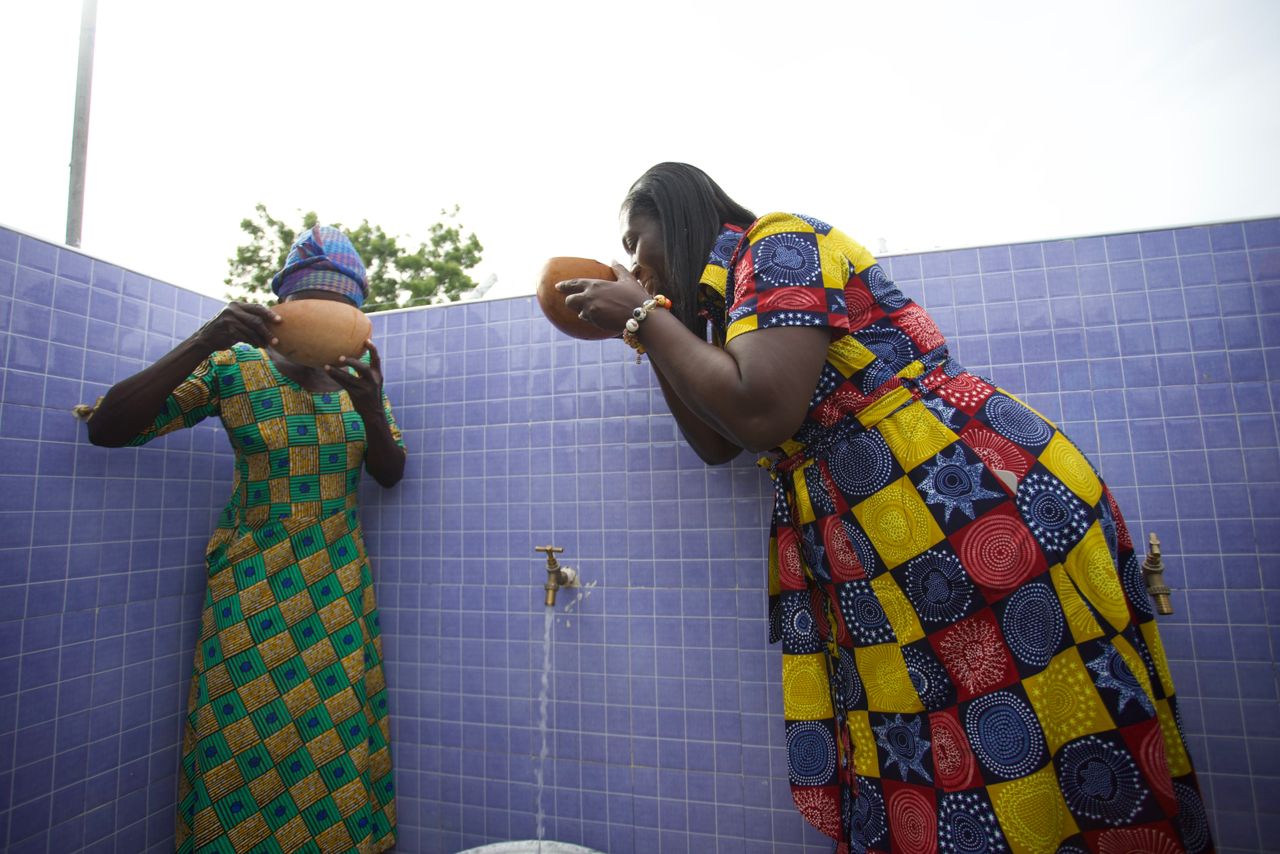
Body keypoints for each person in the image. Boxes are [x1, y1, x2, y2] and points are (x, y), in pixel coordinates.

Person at [559, 163, 1212, 854]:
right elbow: (718, 442)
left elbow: (762, 410)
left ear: (681, 216)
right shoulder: (727, 315)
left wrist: (641, 317)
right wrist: (651, 327)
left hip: (967, 508)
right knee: (939, 747)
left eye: (637, 240)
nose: (632, 261)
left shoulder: (778, 244)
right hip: (892, 536)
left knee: (1038, 727)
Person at [81, 227, 404, 853]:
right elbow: (109, 428)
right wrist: (208, 337)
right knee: (237, 734)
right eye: (312, 302)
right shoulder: (235, 368)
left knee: (331, 739)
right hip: (252, 587)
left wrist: (371, 406)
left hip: (337, 591)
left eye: (341, 306)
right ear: (282, 304)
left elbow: (389, 475)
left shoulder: (360, 380)